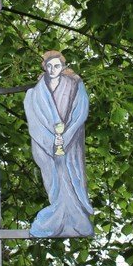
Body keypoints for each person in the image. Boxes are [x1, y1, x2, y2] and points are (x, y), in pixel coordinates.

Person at [24, 50, 93, 237]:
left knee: (69, 177)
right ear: (44, 67)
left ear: (63, 66)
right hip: (46, 144)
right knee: (52, 178)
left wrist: (65, 136)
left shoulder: (74, 85)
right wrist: (52, 140)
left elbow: (80, 112)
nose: (53, 69)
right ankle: (58, 213)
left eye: (57, 65)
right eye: (49, 66)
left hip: (69, 143)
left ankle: (75, 219)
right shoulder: (36, 92)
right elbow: (35, 118)